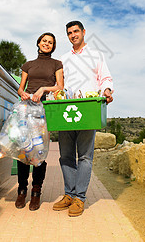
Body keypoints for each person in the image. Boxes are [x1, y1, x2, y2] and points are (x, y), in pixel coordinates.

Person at [53, 21, 113, 217]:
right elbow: (59, 84)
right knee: (66, 155)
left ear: (84, 32)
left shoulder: (96, 55)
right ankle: (69, 194)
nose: (73, 35)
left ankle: (80, 198)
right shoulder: (64, 59)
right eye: (69, 33)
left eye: (76, 31)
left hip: (87, 110)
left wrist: (106, 90)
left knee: (85, 156)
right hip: (66, 111)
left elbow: (105, 78)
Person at [16, 32, 64, 211]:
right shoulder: (28, 65)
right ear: (38, 43)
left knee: (39, 151)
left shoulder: (57, 64)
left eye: (50, 42)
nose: (47, 44)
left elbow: (60, 86)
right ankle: (22, 190)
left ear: (53, 46)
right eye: (44, 41)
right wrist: (23, 93)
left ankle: (36, 192)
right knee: (24, 150)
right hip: (26, 108)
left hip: (45, 110)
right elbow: (20, 88)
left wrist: (43, 89)